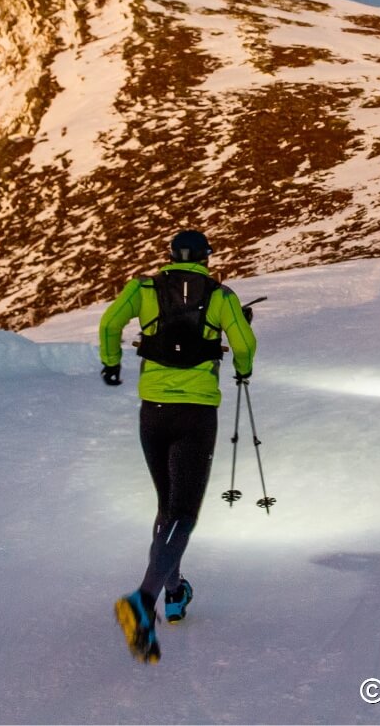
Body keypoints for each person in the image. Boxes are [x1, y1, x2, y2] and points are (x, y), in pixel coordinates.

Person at [99, 229, 256, 664]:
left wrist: (111, 364)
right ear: (206, 258)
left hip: (153, 409)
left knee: (166, 504)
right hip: (197, 412)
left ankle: (174, 593)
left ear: (171, 255)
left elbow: (110, 323)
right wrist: (242, 369)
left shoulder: (144, 288)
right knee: (183, 513)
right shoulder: (220, 295)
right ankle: (143, 600)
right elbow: (244, 343)